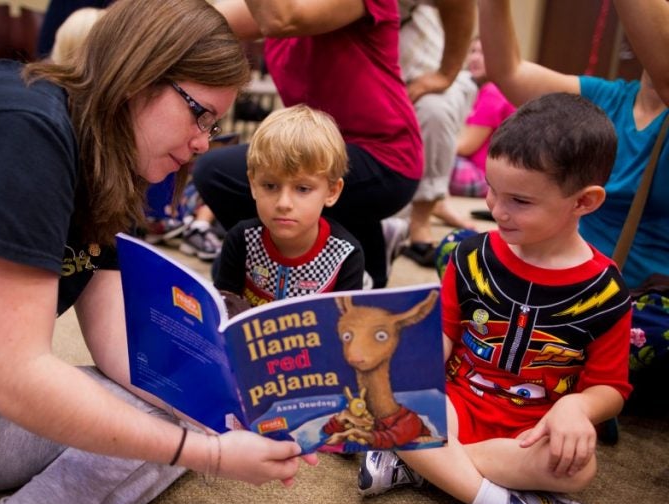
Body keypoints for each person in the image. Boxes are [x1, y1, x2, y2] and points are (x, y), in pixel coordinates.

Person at [0, 0, 316, 504]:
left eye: (213, 127)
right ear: (140, 75)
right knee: (182, 435)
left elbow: (117, 342)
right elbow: (11, 373)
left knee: (181, 404)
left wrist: (235, 413)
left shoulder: (113, 160)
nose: (203, 143)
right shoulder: (19, 128)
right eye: (201, 116)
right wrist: (208, 455)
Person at [357, 93, 633, 504]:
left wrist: (578, 408)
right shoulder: (471, 256)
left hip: (531, 431)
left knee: (580, 469)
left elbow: (609, 386)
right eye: (491, 190)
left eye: (519, 201)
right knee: (389, 401)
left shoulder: (606, 290)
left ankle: (419, 466)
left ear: (584, 202)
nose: (495, 209)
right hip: (453, 404)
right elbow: (444, 336)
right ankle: (495, 501)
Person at [193, 0, 422, 289]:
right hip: (319, 151)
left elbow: (281, 20)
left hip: (383, 156)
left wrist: (447, 72)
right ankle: (369, 242)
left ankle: (306, 259)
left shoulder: (293, 14)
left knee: (216, 172)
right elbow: (197, 19)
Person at [477, 0, 668, 290]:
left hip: (646, 297)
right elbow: (509, 72)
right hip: (568, 272)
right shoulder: (608, 98)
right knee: (462, 254)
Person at [214, 104, 365, 310]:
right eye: (270, 186)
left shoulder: (344, 255)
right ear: (253, 184)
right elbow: (223, 311)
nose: (284, 203)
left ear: (332, 192)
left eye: (302, 189)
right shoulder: (242, 240)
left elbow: (344, 330)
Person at [396, 0, 478, 268]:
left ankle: (423, 216)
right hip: (361, 71)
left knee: (435, 110)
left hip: (422, 70)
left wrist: (444, 74)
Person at [448, 36, 515, 199]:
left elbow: (466, 146)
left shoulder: (493, 92)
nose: (475, 58)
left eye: (483, 53)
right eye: (473, 51)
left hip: (484, 179)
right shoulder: (496, 89)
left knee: (426, 158)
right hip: (492, 178)